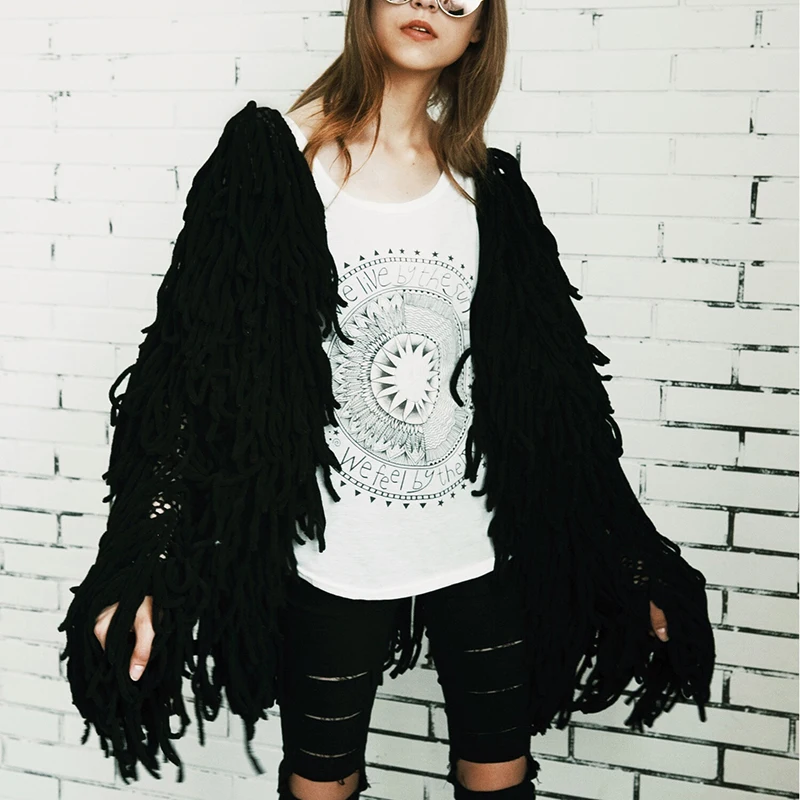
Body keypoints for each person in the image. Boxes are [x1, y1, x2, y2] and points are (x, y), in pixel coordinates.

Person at [59, 1, 716, 798]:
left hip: (483, 549)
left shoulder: (489, 187)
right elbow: (189, 372)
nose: (430, 4)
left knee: (501, 777)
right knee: (322, 781)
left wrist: (629, 556)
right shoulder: (277, 161)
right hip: (336, 557)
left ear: (480, 28)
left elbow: (560, 402)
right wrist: (145, 559)